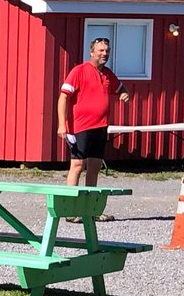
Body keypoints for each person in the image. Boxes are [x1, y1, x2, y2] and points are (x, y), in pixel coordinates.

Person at [56, 37, 130, 204]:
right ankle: (70, 206)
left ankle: (89, 208)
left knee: (95, 166)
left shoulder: (108, 74)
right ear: (92, 52)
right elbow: (63, 97)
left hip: (101, 127)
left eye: (107, 51)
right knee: (77, 166)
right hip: (80, 127)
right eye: (101, 51)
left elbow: (121, 88)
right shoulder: (79, 71)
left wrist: (124, 94)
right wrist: (62, 125)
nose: (104, 54)